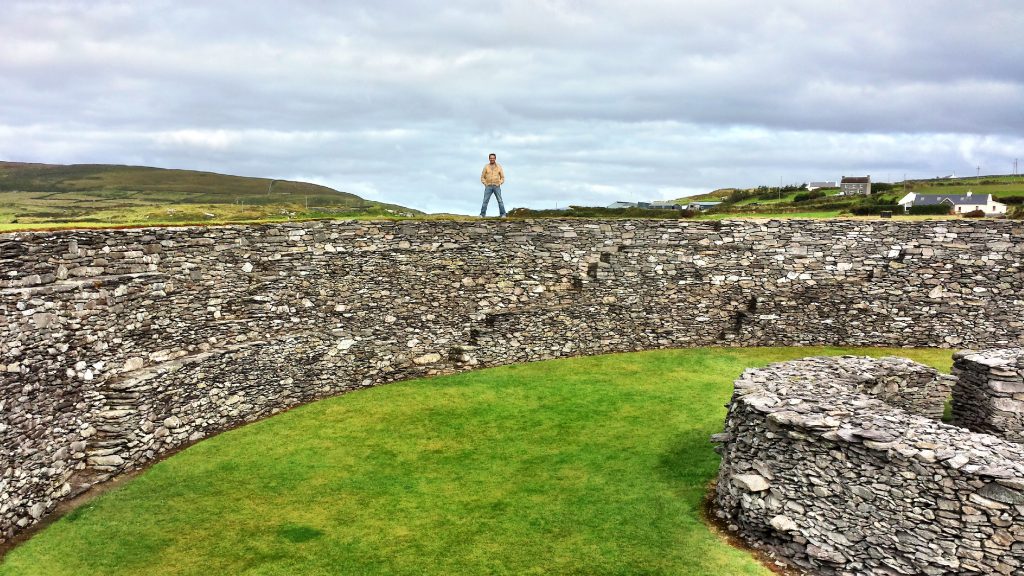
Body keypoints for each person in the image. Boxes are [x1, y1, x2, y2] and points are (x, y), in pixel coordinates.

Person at [479, 153, 507, 217]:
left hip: (496, 186)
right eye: (491, 158)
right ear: (489, 159)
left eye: (493, 158)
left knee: (500, 201)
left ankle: (503, 214)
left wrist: (499, 183)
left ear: (495, 159)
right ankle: (482, 214)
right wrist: (485, 184)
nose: (492, 159)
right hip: (488, 186)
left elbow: (502, 177)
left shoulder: (499, 166)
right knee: (485, 201)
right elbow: (482, 177)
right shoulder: (486, 167)